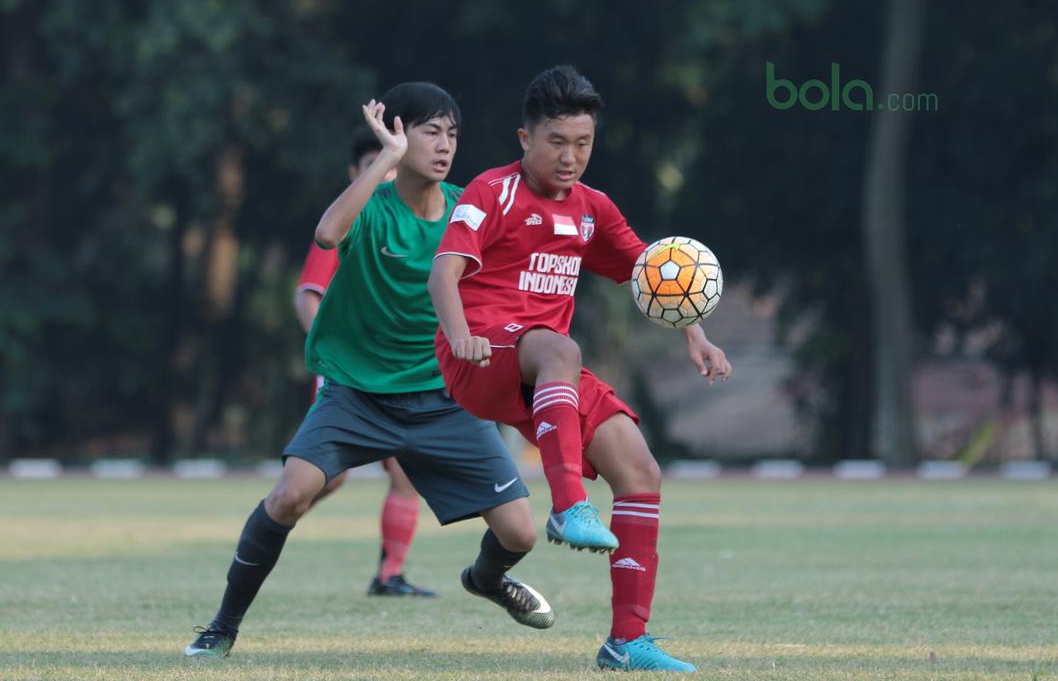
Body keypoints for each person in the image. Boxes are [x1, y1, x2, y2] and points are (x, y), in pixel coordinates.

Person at [184, 82, 553, 660]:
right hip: (357, 395)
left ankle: (485, 580)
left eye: (452, 134)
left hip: (444, 398)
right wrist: (386, 158)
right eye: (431, 132)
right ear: (400, 135)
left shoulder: (469, 209)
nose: (445, 145)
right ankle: (221, 627)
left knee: (520, 533)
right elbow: (327, 233)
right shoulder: (371, 207)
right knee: (288, 497)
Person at [429, 66, 732, 672]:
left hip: (546, 373)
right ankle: (569, 506)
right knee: (562, 349)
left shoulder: (594, 209)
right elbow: (444, 273)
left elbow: (654, 275)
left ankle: (626, 642)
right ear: (525, 139)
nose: (570, 157)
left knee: (640, 470)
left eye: (583, 143)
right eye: (557, 142)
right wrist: (460, 337)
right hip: (480, 355)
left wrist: (696, 334)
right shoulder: (492, 191)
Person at [293, 127, 434, 598]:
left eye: (393, 163)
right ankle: (272, 520)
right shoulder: (347, 220)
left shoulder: (413, 222)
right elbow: (307, 295)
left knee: (406, 469)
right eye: (375, 164)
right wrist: (333, 353)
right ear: (355, 172)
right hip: (348, 374)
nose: (386, 173)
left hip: (397, 372)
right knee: (328, 477)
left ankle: (390, 574)